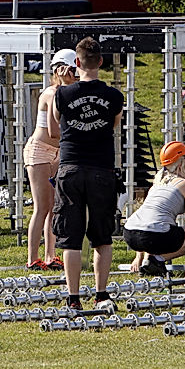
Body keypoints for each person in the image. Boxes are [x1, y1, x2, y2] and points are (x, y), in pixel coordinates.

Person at [47, 36, 124, 312]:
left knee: (70, 235)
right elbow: (114, 124)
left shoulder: (62, 94)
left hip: (70, 168)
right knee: (102, 236)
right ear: (100, 62)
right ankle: (102, 294)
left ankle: (73, 298)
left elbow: (54, 125)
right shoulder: (115, 96)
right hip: (101, 168)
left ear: (76, 63)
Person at [23, 48, 77, 270]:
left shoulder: (68, 92)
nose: (75, 75)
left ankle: (49, 255)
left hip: (55, 152)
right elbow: (55, 130)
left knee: (55, 205)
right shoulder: (52, 93)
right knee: (42, 206)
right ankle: (32, 258)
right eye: (72, 70)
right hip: (40, 151)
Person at [124, 141, 185, 277]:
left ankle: (148, 262)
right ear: (181, 162)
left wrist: (138, 258)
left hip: (130, 233)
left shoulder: (157, 184)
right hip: (153, 235)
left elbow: (146, 219)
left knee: (156, 228)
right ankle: (156, 260)